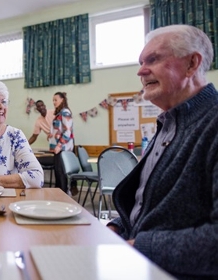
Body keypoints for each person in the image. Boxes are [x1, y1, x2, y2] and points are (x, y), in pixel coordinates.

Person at [107, 25, 218, 278]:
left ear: (192, 64)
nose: (141, 70)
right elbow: (147, 206)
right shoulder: (169, 124)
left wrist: (139, 246)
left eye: (154, 59)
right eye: (141, 61)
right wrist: (115, 228)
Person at [49, 92, 75, 194]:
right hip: (57, 148)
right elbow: (59, 130)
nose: (54, 102)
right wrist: (52, 134)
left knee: (61, 174)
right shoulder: (59, 113)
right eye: (53, 100)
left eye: (56, 100)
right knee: (58, 174)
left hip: (62, 149)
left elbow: (67, 132)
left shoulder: (65, 112)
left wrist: (59, 145)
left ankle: (63, 197)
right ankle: (59, 196)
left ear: (62, 100)